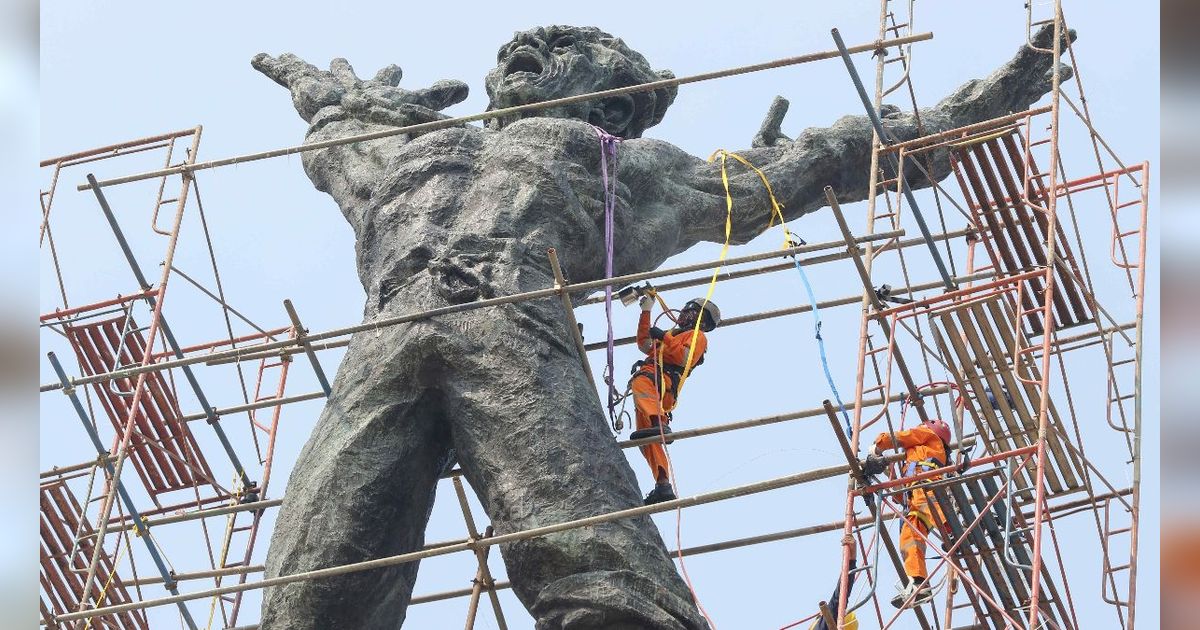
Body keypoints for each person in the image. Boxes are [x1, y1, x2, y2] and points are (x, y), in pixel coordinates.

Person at [251, 22, 1071, 628]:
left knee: (597, 570)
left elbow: (819, 158)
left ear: (614, 97)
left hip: (515, 335)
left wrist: (976, 106)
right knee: (311, 588)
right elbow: (342, 146)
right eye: (524, 48)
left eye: (565, 47)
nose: (527, 48)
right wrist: (337, 104)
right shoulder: (421, 151)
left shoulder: (620, 162)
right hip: (386, 344)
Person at [627, 295, 721, 504]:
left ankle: (659, 423)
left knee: (640, 383)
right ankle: (663, 484)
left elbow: (684, 358)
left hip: (662, 381)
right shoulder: (671, 334)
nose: (684, 313)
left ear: (702, 320)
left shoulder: (697, 336)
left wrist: (666, 338)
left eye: (691, 311)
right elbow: (644, 344)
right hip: (654, 391)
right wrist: (646, 312)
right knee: (646, 439)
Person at [872, 417, 953, 609]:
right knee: (910, 536)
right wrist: (887, 471)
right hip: (916, 497)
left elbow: (901, 437)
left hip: (926, 489)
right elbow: (901, 496)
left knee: (932, 512)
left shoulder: (928, 435)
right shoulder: (919, 455)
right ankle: (918, 581)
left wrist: (878, 445)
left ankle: (954, 530)